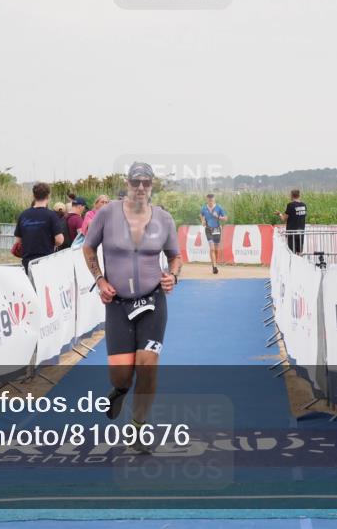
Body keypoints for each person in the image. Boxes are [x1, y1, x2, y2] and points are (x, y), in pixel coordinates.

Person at [82, 162, 181, 439]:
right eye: (135, 182)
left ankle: (138, 425)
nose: (140, 187)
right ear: (127, 183)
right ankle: (121, 389)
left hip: (152, 300)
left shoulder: (164, 219)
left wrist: (173, 275)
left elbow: (175, 256)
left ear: (151, 185)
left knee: (147, 363)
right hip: (118, 304)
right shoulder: (107, 213)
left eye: (146, 182)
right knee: (122, 374)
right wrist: (100, 280)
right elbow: (88, 247)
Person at [13, 183, 65, 272]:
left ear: (33, 196)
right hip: (45, 261)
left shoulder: (23, 215)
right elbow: (60, 240)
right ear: (48, 196)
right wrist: (49, 243)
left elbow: (18, 241)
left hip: (27, 261)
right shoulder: (52, 215)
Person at [199, 193, 228, 274]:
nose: (210, 202)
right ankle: (214, 267)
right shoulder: (204, 208)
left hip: (217, 229)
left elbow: (225, 218)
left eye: (212, 200)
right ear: (207, 200)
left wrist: (218, 217)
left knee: (216, 250)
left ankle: (215, 263)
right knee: (211, 248)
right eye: (209, 201)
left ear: (214, 200)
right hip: (208, 229)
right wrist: (203, 221)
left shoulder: (219, 207)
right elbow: (201, 215)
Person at [278, 189, 308, 254]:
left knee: (292, 253)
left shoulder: (290, 205)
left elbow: (284, 219)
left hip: (291, 233)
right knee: (299, 252)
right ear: (299, 195)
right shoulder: (304, 205)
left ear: (291, 195)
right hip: (301, 232)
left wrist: (279, 214)